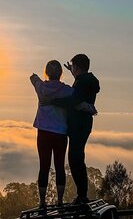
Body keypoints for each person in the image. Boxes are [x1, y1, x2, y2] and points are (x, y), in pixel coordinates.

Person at [30, 60, 97, 209]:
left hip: (43, 132)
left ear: (46, 72)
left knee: (44, 166)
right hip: (60, 132)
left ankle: (42, 202)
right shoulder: (67, 90)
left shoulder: (41, 88)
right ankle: (59, 201)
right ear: (61, 73)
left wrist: (36, 78)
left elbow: (33, 79)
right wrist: (90, 108)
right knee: (59, 166)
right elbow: (76, 103)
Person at [51, 54, 100, 204]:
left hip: (78, 125)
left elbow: (73, 100)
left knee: (75, 159)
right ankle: (82, 194)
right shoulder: (86, 81)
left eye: (73, 67)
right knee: (77, 158)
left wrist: (53, 101)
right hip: (82, 124)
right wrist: (74, 74)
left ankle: (82, 196)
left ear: (77, 67)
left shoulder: (82, 82)